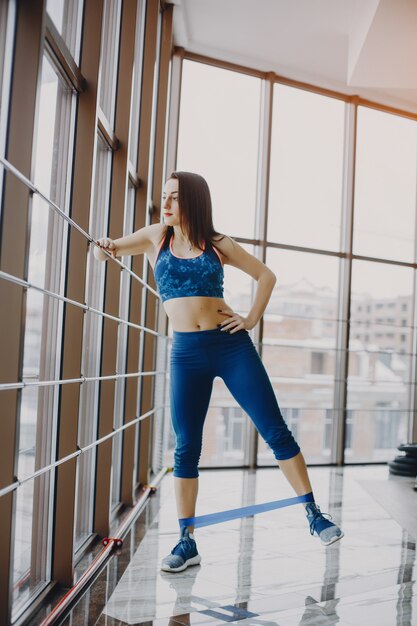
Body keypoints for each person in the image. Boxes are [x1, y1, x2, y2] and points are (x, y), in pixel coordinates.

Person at [94, 171, 344, 573]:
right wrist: (103, 246)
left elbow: (266, 276)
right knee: (186, 446)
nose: (167, 204)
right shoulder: (156, 236)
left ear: (193, 200)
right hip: (187, 353)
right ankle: (186, 541)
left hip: (230, 347)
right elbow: (105, 253)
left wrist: (251, 319)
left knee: (275, 429)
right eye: (164, 197)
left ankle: (314, 514)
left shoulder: (218, 243)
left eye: (174, 197)